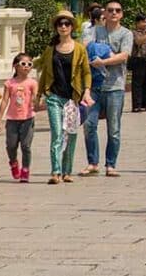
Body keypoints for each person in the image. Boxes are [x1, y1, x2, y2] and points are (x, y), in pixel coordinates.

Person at [35, 10, 93, 184]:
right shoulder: (50, 49)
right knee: (57, 133)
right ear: (56, 27)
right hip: (54, 97)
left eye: (66, 23)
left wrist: (87, 90)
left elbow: (86, 72)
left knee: (71, 133)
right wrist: (38, 95)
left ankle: (67, 171)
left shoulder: (79, 49)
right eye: (60, 24)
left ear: (72, 27)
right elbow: (44, 72)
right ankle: (56, 171)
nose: (63, 26)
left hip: (72, 98)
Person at [80, 0, 133, 177]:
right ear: (105, 13)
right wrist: (101, 50)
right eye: (110, 10)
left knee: (114, 128)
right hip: (94, 86)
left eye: (117, 10)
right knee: (89, 125)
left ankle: (111, 164)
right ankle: (92, 162)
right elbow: (85, 48)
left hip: (115, 86)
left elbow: (124, 56)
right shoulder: (95, 31)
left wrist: (103, 60)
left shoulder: (126, 34)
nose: (114, 13)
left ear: (122, 14)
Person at [0, 53, 37, 182]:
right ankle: (13, 163)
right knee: (11, 146)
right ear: (16, 66)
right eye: (23, 64)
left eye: (29, 64)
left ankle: (25, 170)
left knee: (26, 146)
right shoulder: (9, 83)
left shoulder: (32, 82)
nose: (26, 67)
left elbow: (35, 98)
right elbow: (4, 101)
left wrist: (36, 102)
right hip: (12, 119)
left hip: (28, 118)